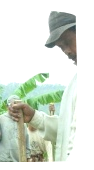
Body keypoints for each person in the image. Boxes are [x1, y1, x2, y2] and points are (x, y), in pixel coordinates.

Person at [9, 8, 94, 162]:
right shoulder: (77, 81)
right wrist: (35, 117)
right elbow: (70, 133)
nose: (67, 51)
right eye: (62, 47)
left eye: (68, 42)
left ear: (85, 30)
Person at [0, 95, 31, 170]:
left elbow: (26, 141)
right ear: (7, 107)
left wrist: (28, 158)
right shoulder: (0, 119)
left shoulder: (22, 122)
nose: (15, 109)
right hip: (5, 162)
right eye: (12, 107)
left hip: (21, 162)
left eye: (18, 107)